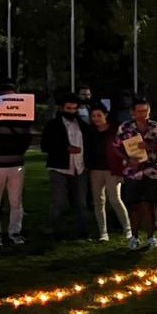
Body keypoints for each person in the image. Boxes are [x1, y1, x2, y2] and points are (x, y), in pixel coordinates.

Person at [0, 83, 32, 247]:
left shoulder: (22, 119)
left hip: (16, 163)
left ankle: (15, 231)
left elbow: (27, 138)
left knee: (16, 202)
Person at [113, 97, 157, 251]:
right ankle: (134, 237)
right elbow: (116, 146)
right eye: (139, 112)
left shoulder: (155, 127)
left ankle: (151, 237)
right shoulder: (125, 128)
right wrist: (127, 159)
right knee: (135, 206)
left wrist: (150, 145)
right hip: (132, 172)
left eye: (145, 111)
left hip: (151, 172)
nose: (142, 114)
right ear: (133, 112)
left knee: (150, 205)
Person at [40, 93, 90, 239]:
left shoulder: (82, 126)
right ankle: (53, 230)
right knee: (58, 202)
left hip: (79, 168)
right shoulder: (53, 125)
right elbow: (45, 146)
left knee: (81, 203)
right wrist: (65, 148)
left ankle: (82, 231)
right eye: (68, 108)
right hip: (59, 167)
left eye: (74, 108)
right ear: (62, 108)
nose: (71, 111)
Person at [84, 105, 130, 242]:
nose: (96, 119)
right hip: (95, 169)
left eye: (99, 115)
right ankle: (103, 232)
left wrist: (122, 167)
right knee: (98, 201)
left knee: (115, 199)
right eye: (93, 116)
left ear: (105, 115)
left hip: (112, 169)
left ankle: (127, 229)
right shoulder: (90, 131)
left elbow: (122, 148)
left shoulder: (115, 131)